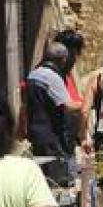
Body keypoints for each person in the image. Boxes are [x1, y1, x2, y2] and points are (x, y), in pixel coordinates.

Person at [23, 42, 74, 184]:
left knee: (42, 177)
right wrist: (87, 103)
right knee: (57, 180)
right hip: (51, 137)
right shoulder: (52, 77)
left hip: (36, 134)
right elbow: (69, 106)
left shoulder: (34, 74)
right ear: (63, 59)